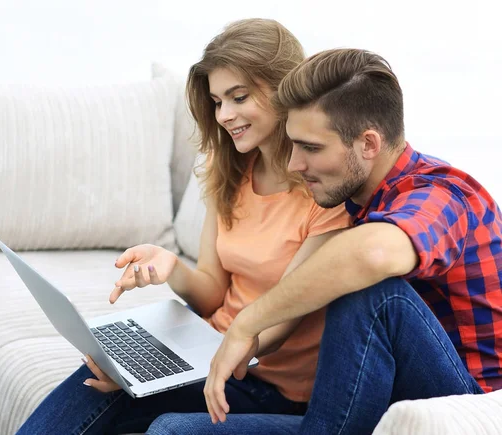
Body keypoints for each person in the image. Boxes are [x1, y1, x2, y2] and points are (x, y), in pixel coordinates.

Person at [16, 19, 350, 435]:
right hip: (209, 351)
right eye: (216, 102)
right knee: (96, 382)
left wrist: (199, 363)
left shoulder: (323, 191)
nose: (225, 115)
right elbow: (212, 294)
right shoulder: (230, 169)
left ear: (284, 87)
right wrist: (171, 268)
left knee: (147, 410)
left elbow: (279, 325)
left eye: (238, 97)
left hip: (266, 385)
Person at [145, 48, 502, 435]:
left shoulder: (444, 193)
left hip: (469, 405)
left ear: (369, 144)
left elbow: (373, 254)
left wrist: (247, 323)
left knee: (371, 291)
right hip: (376, 404)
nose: (295, 164)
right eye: (294, 143)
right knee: (172, 430)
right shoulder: (355, 197)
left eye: (311, 148)